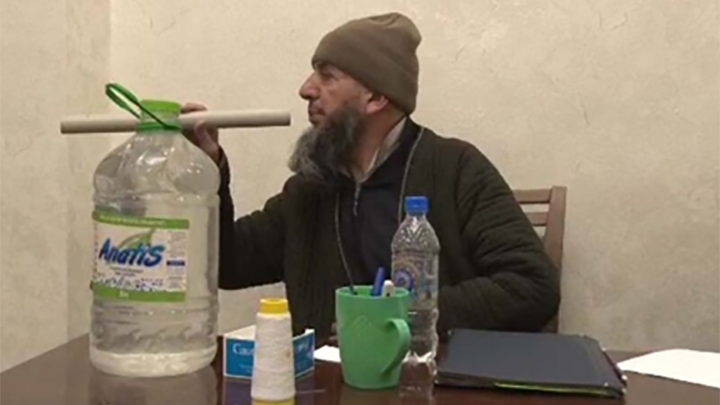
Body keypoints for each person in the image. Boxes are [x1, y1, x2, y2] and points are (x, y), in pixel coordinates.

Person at [182, 12, 560, 343]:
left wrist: (400, 316)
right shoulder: (309, 190)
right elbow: (226, 266)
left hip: (429, 382)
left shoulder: (455, 168)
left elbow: (532, 286)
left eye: (327, 76)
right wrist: (208, 167)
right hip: (325, 386)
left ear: (376, 98)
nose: (306, 89)